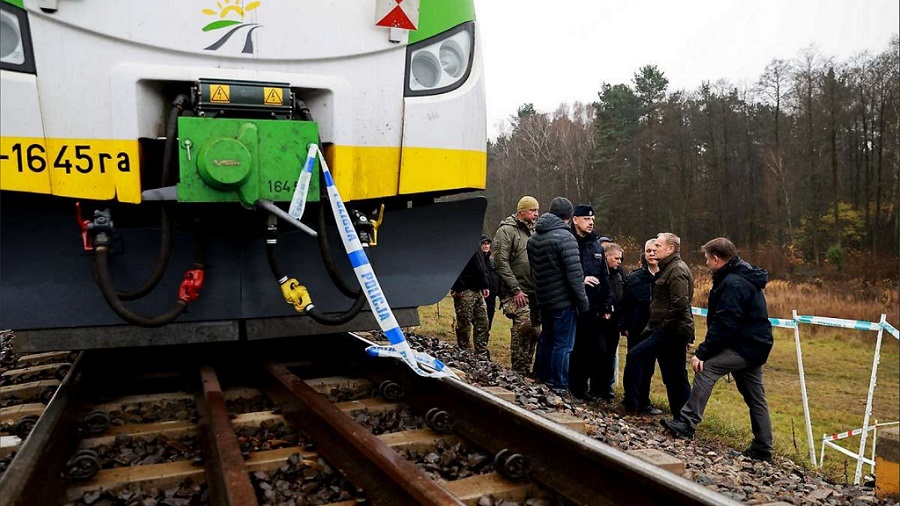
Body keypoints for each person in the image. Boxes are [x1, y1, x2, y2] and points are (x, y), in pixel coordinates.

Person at [661, 238, 774, 463]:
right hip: (754, 343)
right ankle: (763, 448)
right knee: (755, 398)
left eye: (707, 258)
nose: (706, 262)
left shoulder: (733, 282)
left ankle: (687, 422)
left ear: (716, 259)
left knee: (707, 367)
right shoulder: (739, 275)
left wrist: (703, 352)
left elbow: (726, 322)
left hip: (745, 345)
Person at [622, 232, 693, 415]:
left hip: (669, 330)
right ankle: (680, 415)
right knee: (673, 375)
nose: (655, 250)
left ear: (670, 249)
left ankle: (683, 417)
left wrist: (662, 326)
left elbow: (681, 304)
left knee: (672, 373)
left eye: (659, 246)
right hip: (665, 329)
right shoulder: (667, 268)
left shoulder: (676, 270)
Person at [527, 197, 589, 394]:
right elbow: (574, 274)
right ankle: (559, 384)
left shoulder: (534, 237)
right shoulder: (565, 238)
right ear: (569, 216)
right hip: (563, 300)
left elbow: (534, 270)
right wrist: (583, 302)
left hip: (544, 298)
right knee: (563, 345)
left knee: (547, 338)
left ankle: (542, 376)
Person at [492, 196, 542, 374]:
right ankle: (518, 370)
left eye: (537, 210)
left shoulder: (535, 231)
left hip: (534, 291)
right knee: (523, 327)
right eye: (532, 210)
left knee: (536, 331)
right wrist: (515, 289)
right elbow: (500, 262)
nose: (536, 214)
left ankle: (527, 368)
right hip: (515, 291)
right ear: (521, 211)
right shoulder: (506, 231)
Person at [568, 205, 613, 402]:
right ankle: (571, 387)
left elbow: (604, 276)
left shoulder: (596, 244)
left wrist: (606, 304)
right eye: (586, 219)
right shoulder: (568, 240)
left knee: (591, 349)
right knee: (573, 348)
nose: (591, 222)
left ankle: (582, 388)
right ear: (575, 219)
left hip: (592, 306)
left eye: (592, 219)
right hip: (571, 304)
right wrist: (580, 281)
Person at [621, 239, 663, 415]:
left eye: (654, 250)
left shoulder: (667, 276)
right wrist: (624, 325)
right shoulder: (635, 277)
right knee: (634, 364)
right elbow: (625, 303)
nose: (652, 254)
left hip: (656, 329)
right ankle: (631, 401)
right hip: (637, 327)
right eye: (648, 251)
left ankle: (644, 401)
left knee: (649, 368)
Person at [450, 239, 492, 357]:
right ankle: (464, 351)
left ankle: (481, 352)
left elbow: (481, 266)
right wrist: (458, 287)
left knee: (483, 322)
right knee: (464, 322)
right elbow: (453, 265)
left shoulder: (475, 243)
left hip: (477, 290)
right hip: (465, 290)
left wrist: (485, 285)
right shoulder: (458, 243)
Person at [601, 242, 626, 401]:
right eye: (616, 258)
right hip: (601, 321)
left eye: (620, 259)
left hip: (615, 322)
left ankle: (606, 388)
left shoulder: (619, 274)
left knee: (610, 355)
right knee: (600, 353)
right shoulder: (600, 274)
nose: (619, 262)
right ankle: (598, 387)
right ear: (606, 257)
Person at [481, 235, 500, 330]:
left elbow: (497, 278)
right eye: (483, 244)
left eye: (487, 244)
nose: (485, 246)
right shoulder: (476, 260)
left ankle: (485, 342)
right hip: (479, 296)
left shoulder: (492, 261)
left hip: (492, 298)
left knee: (488, 323)